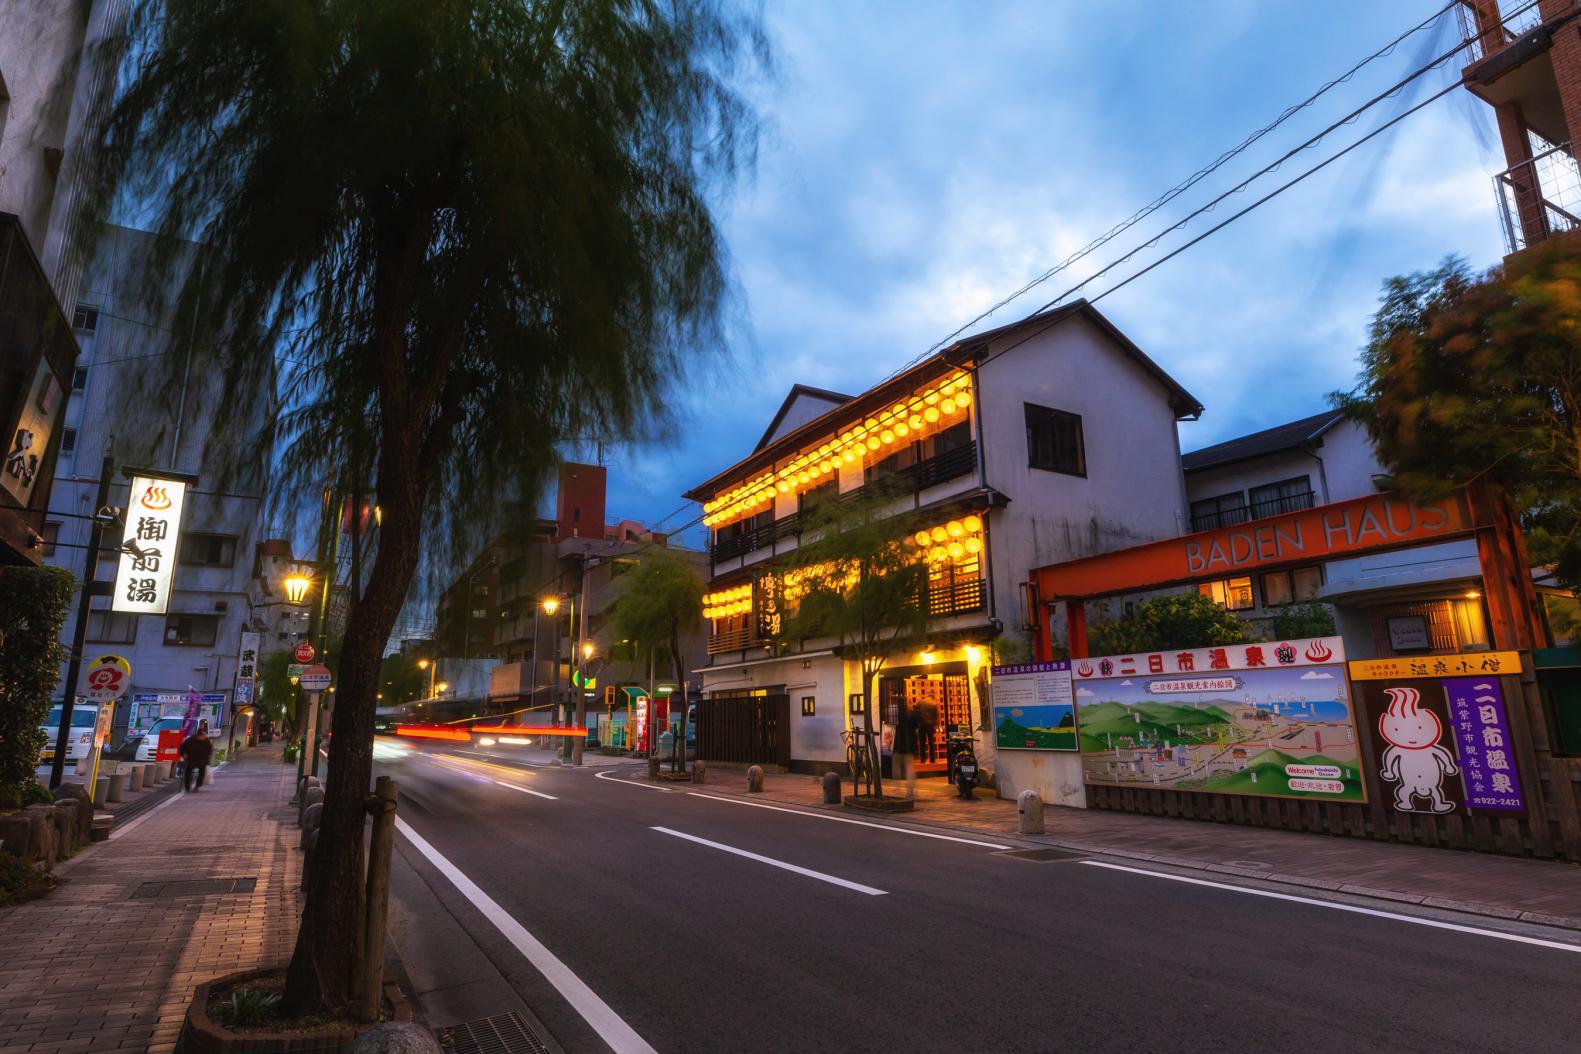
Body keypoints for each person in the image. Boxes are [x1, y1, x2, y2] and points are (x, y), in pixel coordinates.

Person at [179, 720, 214, 792]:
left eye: (204, 735)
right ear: (198, 735)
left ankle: (197, 786)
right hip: (191, 759)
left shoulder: (206, 740)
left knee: (201, 773)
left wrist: (208, 756)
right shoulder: (190, 740)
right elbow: (182, 748)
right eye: (201, 736)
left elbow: (210, 749)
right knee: (188, 772)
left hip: (202, 760)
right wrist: (184, 754)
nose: (203, 737)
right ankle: (187, 787)